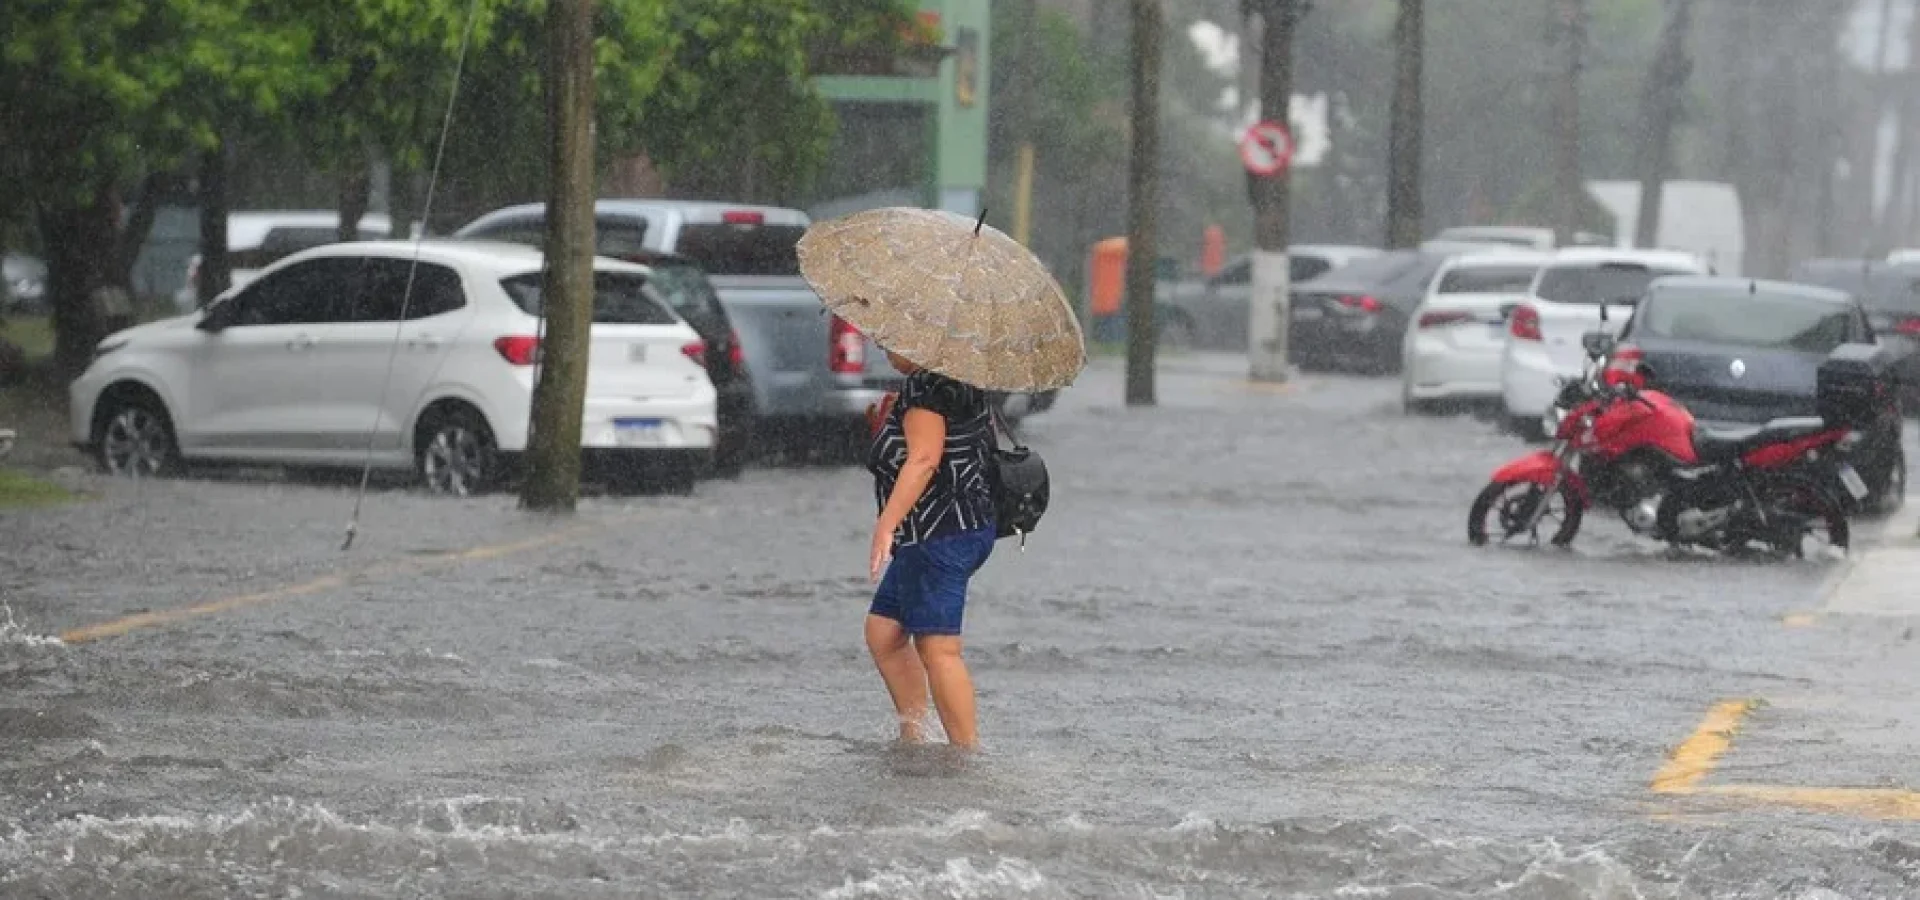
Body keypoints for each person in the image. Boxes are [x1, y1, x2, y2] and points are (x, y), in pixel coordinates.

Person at [864, 349, 997, 749]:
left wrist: (886, 525)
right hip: (965, 525)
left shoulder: (927, 387)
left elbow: (923, 460)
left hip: (940, 531)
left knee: (938, 646)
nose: (886, 349)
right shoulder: (961, 373)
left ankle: (966, 754)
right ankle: (915, 737)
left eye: (894, 342)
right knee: (884, 632)